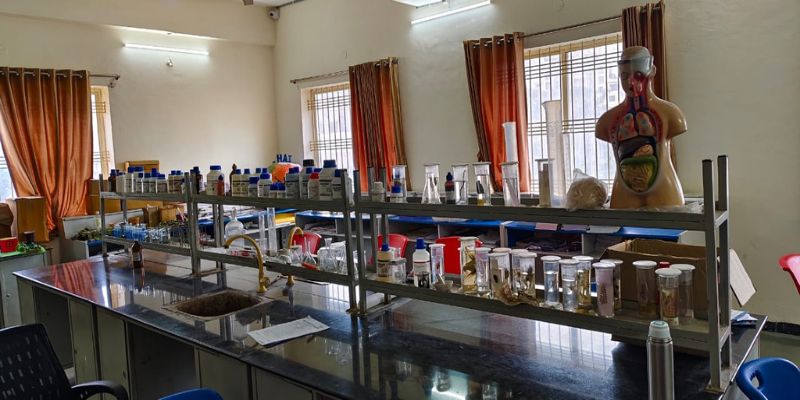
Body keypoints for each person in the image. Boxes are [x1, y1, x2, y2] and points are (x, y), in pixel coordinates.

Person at [596, 46, 687, 209]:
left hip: (664, 189)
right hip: (623, 193)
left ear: (652, 71)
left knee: (669, 225)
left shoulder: (672, 115)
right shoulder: (606, 121)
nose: (630, 82)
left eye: (638, 74)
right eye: (624, 76)